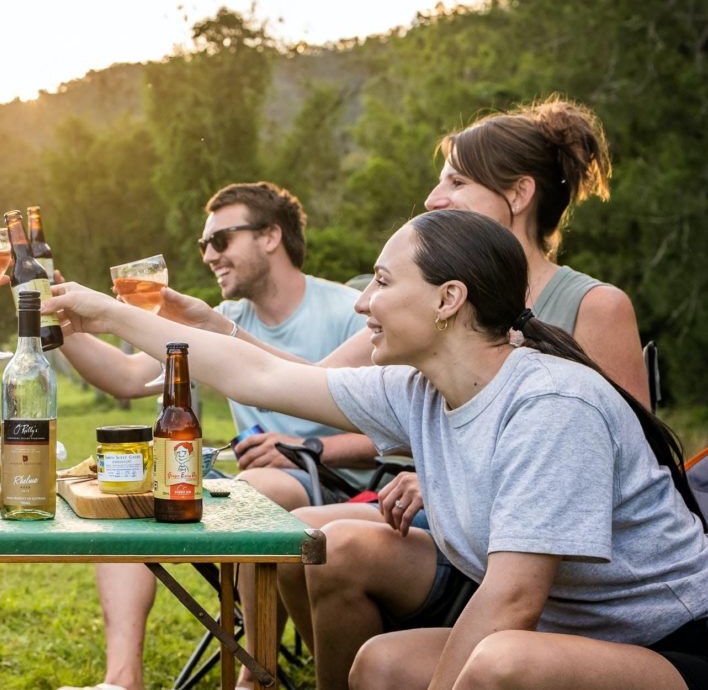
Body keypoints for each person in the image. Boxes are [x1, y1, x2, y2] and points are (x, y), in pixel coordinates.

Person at [48, 207, 708, 690]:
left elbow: (511, 601)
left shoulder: (550, 405)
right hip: (567, 633)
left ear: (450, 299)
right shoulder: (417, 387)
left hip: (669, 644)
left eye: (384, 283)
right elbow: (262, 376)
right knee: (380, 667)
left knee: (500, 665)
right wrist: (107, 315)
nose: (364, 301)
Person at [271, 98, 654, 689]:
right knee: (308, 539)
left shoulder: (593, 307)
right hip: (461, 534)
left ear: (519, 194)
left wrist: (450, 474)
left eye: (456, 179)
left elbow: (617, 462)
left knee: (342, 543)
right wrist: (216, 333)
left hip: (546, 554)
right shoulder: (428, 297)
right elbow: (301, 377)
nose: (432, 197)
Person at [56, 182, 368, 690]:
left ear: (271, 236)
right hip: (251, 480)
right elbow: (131, 379)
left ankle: (253, 675)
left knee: (263, 487)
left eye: (221, 240)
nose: (208, 256)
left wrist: (307, 448)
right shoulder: (224, 319)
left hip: (341, 485)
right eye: (204, 245)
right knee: (129, 487)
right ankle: (121, 680)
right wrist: (68, 329)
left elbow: (395, 427)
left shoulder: (349, 311)